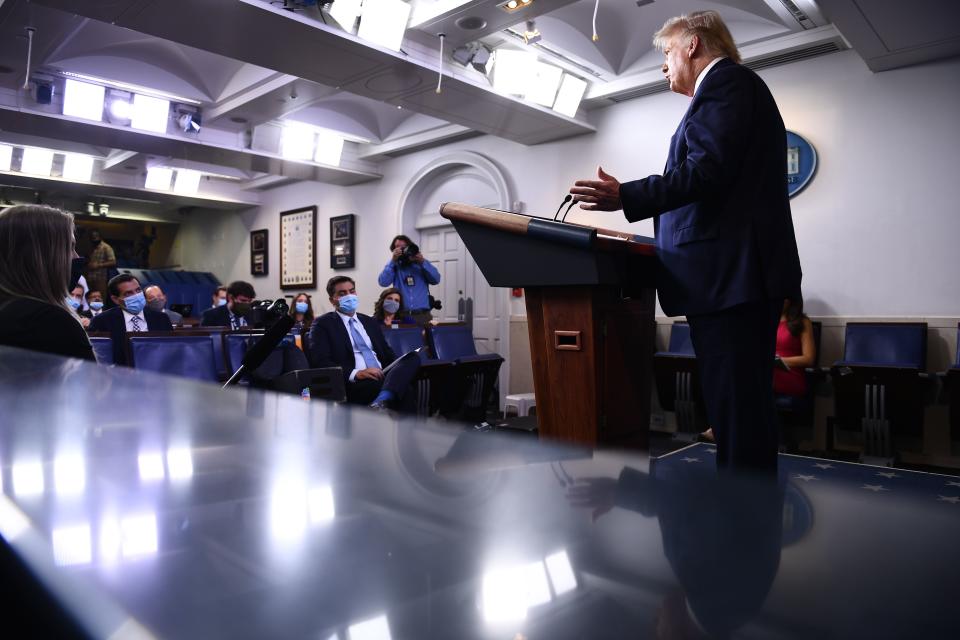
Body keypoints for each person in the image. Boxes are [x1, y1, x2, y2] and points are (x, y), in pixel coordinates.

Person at [569, 11, 801, 471]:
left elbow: (705, 172)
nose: (663, 65)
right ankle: (744, 527)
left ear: (692, 45)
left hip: (732, 279)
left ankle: (742, 529)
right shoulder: (729, 91)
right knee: (738, 412)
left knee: (739, 414)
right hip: (730, 279)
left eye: (667, 52)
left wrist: (627, 195)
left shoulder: (726, 84)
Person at [0, 205, 95, 361]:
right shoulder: (49, 321)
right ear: (42, 258)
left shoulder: (10, 311)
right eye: (70, 247)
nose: (76, 256)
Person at [308, 276, 420, 409]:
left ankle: (382, 400)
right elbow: (320, 361)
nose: (349, 296)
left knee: (413, 358)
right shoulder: (323, 324)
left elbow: (387, 353)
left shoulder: (369, 322)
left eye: (352, 291)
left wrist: (398, 366)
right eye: (342, 293)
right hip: (355, 381)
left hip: (382, 373)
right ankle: (386, 399)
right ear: (332, 300)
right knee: (405, 391)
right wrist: (356, 373)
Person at [89, 274, 173, 366]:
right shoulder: (101, 321)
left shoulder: (161, 319)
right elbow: (99, 358)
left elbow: (171, 354)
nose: (136, 296)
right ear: (115, 299)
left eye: (138, 290)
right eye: (128, 293)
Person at [377, 234, 441, 327]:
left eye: (404, 247)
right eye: (398, 248)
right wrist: (392, 261)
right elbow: (383, 282)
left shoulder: (421, 265)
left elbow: (436, 279)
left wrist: (422, 261)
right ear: (393, 250)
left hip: (423, 315)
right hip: (402, 316)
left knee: (426, 341)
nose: (402, 250)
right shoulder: (394, 266)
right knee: (403, 341)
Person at [774, 297, 816, 397]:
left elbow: (809, 359)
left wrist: (778, 361)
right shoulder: (767, 321)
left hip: (790, 376)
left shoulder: (803, 322)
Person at [85, 229, 116, 300]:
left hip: (101, 278)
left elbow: (113, 262)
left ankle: (102, 311)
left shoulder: (106, 247)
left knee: (100, 297)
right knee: (89, 297)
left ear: (100, 237)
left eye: (96, 237)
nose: (94, 239)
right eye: (92, 238)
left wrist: (98, 265)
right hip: (90, 277)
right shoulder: (92, 247)